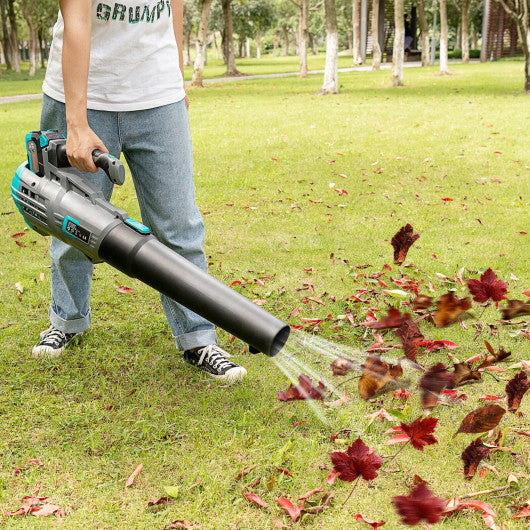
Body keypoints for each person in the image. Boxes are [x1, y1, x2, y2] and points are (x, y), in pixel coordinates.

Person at [32, 0, 247, 383]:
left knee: (179, 225)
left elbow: (173, 7)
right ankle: (67, 319)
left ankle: (198, 337)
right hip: (84, 97)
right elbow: (77, 20)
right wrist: (76, 122)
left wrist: (176, 74)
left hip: (157, 97)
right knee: (72, 218)